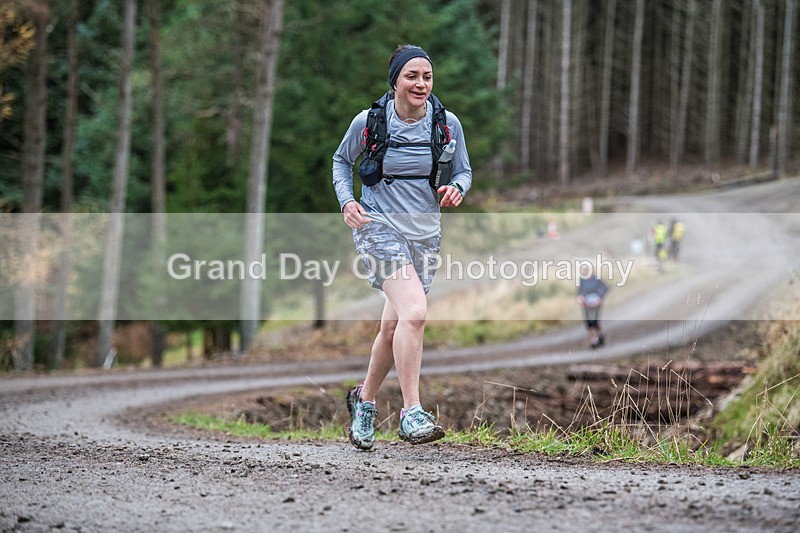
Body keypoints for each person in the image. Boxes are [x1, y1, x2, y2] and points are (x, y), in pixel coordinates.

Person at [332, 45, 472, 451]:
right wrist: (347, 201)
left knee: (394, 327)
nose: (421, 84)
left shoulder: (446, 124)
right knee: (415, 313)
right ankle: (412, 413)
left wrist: (457, 188)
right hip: (378, 229)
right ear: (395, 80)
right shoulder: (370, 122)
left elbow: (463, 169)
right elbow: (342, 161)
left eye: (427, 77)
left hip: (425, 234)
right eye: (412, 76)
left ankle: (364, 402)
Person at [576, 264, 608, 349]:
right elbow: (579, 292)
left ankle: (598, 336)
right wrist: (580, 298)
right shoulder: (582, 281)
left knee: (595, 321)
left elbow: (605, 288)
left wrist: (599, 298)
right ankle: (594, 340)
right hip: (586, 304)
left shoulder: (597, 280)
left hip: (595, 304)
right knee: (588, 322)